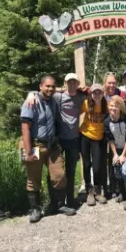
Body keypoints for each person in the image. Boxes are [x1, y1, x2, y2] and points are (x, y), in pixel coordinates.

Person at [20, 76, 76, 223]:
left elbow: (66, 90)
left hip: (52, 145)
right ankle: (35, 209)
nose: (50, 89)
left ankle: (58, 205)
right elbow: (25, 128)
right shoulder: (31, 102)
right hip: (34, 145)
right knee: (33, 178)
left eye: (52, 86)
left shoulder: (54, 101)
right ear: (40, 86)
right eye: (47, 86)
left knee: (59, 175)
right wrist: (29, 150)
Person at [25, 73, 86, 208]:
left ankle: (68, 200)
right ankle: (45, 206)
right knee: (37, 175)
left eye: (74, 82)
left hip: (67, 140)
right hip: (48, 141)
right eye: (69, 82)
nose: (71, 84)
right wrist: (31, 93)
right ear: (65, 84)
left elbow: (95, 93)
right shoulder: (57, 97)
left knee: (64, 172)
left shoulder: (81, 97)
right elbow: (43, 91)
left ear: (77, 84)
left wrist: (86, 89)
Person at [104, 96, 126, 211]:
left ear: (121, 108)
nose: (113, 108)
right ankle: (123, 193)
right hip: (117, 147)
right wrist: (115, 154)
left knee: (125, 169)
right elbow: (110, 140)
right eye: (111, 105)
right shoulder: (107, 122)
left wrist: (123, 155)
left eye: (116, 106)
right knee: (117, 168)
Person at [80, 83, 109, 206]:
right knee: (86, 165)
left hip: (99, 138)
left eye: (99, 92)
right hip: (85, 136)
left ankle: (97, 191)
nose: (97, 95)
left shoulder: (106, 105)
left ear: (103, 94)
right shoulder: (86, 104)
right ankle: (89, 191)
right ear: (91, 94)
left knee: (97, 166)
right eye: (94, 92)